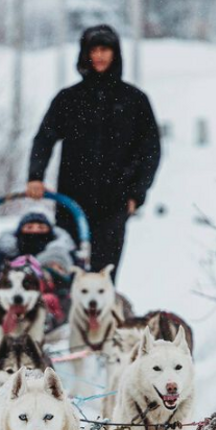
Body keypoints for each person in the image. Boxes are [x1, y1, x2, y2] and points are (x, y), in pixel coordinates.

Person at [27, 24, 161, 282]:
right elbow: (44, 139)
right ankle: (64, 321)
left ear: (115, 54)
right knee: (66, 272)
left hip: (114, 202)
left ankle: (100, 323)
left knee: (102, 277)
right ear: (84, 54)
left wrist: (137, 193)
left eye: (105, 50)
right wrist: (35, 176)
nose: (99, 56)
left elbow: (151, 151)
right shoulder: (69, 99)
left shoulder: (134, 100)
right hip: (71, 201)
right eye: (93, 50)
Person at [0, 211, 79, 323]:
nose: (35, 232)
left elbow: (78, 286)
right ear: (19, 232)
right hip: (3, 311)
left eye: (41, 228)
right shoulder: (4, 257)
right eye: (29, 227)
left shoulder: (62, 257)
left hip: (54, 311)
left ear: (50, 234)